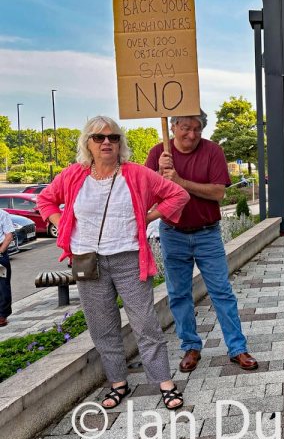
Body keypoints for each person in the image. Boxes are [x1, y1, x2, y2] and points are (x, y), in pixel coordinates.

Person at [37, 116, 190, 410]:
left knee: (144, 323)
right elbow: (45, 201)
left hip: (128, 257)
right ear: (88, 144)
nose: (107, 142)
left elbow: (177, 194)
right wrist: (64, 222)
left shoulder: (136, 174)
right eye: (99, 137)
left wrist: (148, 217)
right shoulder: (72, 175)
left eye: (113, 137)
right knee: (101, 325)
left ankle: (164, 382)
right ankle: (118, 382)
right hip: (86, 259)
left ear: (120, 144)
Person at [145, 110, 259, 373]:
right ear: (173, 126)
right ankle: (190, 347)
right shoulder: (158, 153)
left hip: (207, 233)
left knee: (221, 292)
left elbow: (218, 192)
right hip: (173, 233)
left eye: (197, 129)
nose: (192, 134)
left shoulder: (213, 151)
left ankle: (237, 348)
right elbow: (148, 195)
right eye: (186, 127)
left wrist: (181, 182)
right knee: (178, 294)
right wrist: (160, 176)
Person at [0, 210, 14, 327]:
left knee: (3, 285)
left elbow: (8, 236)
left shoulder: (3, 214)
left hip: (0, 252)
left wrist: (0, 252)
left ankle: (2, 315)